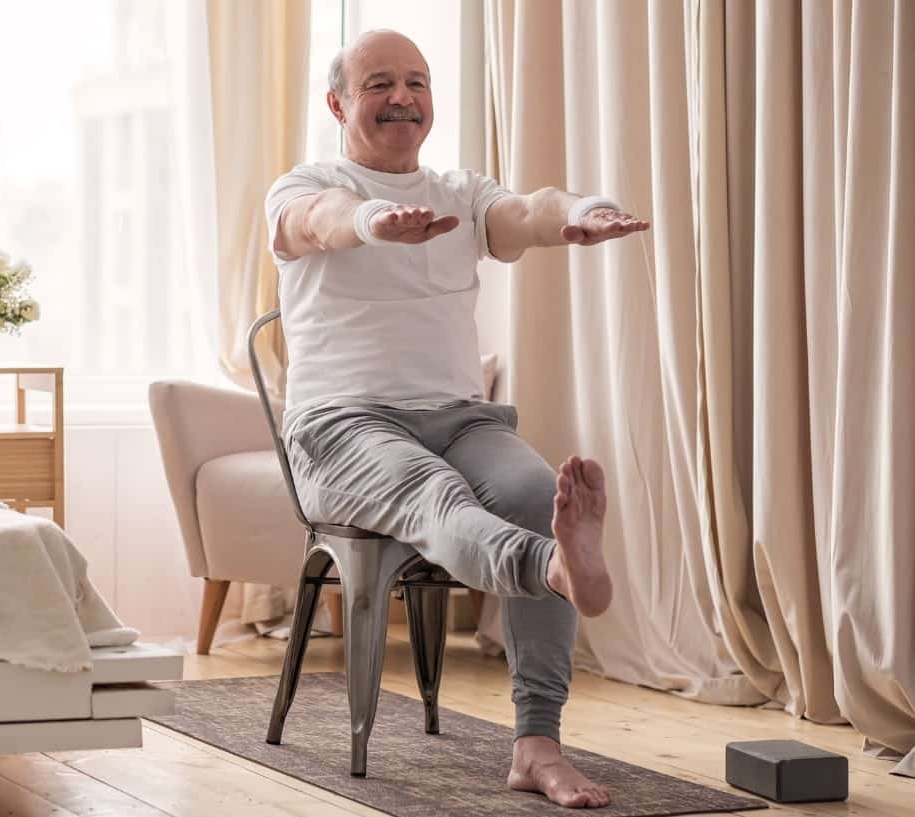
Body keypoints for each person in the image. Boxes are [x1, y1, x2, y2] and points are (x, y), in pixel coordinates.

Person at [265, 29, 650, 809]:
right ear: (338, 103)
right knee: (437, 498)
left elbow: (521, 213)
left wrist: (580, 211)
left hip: (460, 417)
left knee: (539, 491)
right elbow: (320, 219)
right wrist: (374, 222)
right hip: (341, 428)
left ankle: (536, 744)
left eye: (416, 82)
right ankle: (551, 567)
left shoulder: (456, 190)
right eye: (379, 84)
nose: (402, 97)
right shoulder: (303, 183)